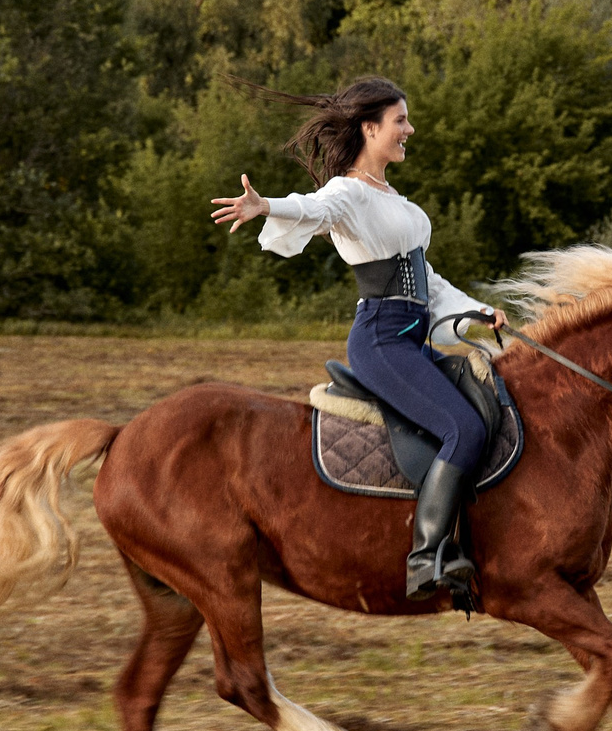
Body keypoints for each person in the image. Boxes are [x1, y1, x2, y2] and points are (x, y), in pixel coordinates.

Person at [211, 77, 507, 605]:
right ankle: (427, 557)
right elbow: (312, 208)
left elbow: (429, 283)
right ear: (371, 128)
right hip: (382, 343)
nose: (409, 129)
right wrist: (266, 207)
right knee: (462, 427)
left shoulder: (402, 207)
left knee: (484, 410)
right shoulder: (347, 194)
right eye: (400, 121)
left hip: (415, 342)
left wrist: (478, 313)